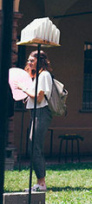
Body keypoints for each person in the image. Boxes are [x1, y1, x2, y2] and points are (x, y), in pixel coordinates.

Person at [21, 50, 53, 192]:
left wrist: (24, 89)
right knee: (33, 146)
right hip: (35, 113)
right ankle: (40, 182)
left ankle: (41, 183)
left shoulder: (44, 75)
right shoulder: (36, 77)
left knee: (35, 146)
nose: (29, 63)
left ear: (39, 61)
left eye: (31, 61)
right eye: (28, 61)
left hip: (41, 112)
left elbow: (39, 98)